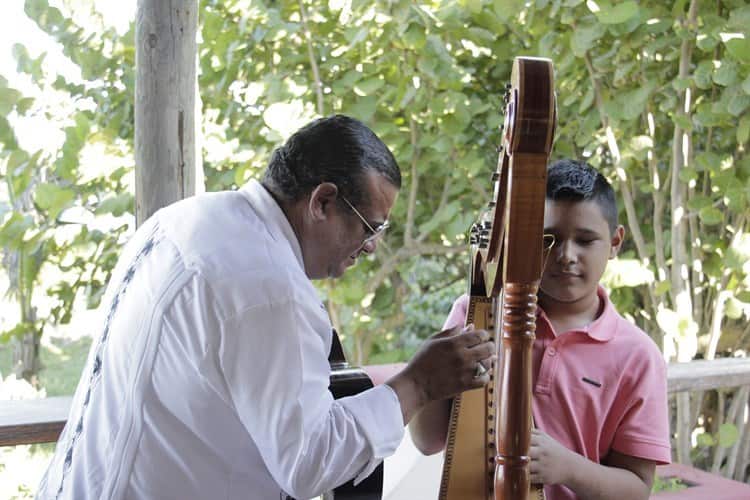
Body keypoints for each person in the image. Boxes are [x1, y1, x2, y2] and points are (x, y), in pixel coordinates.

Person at [37, 115, 495, 500]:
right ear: (323, 201)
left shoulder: (187, 218)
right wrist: (417, 383)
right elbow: (309, 461)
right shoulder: (267, 287)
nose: (372, 247)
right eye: (369, 227)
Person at [410, 159, 671, 499]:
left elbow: (637, 489)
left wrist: (567, 467)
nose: (565, 255)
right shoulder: (478, 313)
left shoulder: (638, 356)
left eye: (585, 240)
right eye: (548, 239)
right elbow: (426, 440)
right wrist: (430, 367)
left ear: (616, 242)